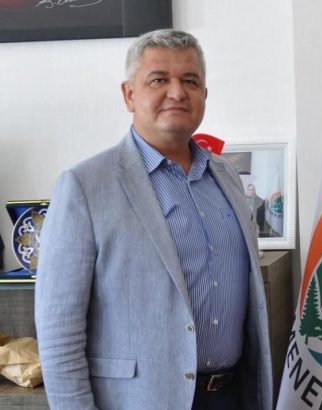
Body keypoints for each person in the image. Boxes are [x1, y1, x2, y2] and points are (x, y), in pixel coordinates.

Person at [35, 29, 272, 410]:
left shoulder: (227, 177)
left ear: (204, 94)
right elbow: (58, 334)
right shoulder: (84, 187)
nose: (177, 93)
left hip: (231, 396)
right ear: (129, 94)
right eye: (159, 80)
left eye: (190, 81)